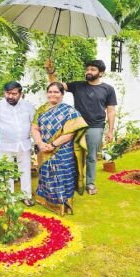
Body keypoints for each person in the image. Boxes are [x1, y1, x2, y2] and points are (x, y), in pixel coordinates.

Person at [45, 59, 117, 195]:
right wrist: (50, 72)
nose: (89, 72)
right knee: (73, 155)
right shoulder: (78, 85)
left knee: (91, 156)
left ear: (101, 73)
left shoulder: (108, 89)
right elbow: (56, 86)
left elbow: (111, 110)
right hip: (76, 126)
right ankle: (75, 182)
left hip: (95, 126)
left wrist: (110, 130)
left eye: (93, 70)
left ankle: (90, 183)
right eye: (88, 69)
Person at [31, 82, 88, 216]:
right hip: (44, 149)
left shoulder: (70, 111)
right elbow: (34, 128)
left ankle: (63, 204)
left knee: (62, 175)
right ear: (47, 94)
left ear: (62, 94)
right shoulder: (41, 110)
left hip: (62, 150)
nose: (53, 94)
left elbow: (71, 133)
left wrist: (53, 145)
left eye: (56, 92)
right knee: (46, 173)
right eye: (50, 92)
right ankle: (46, 200)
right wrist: (39, 143)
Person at [0, 81, 36, 206]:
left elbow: (34, 123)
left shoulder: (28, 106)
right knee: (6, 172)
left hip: (24, 144)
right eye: (7, 93)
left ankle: (26, 196)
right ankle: (9, 198)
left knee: (25, 171)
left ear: (20, 94)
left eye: (14, 94)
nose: (10, 96)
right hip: (5, 145)